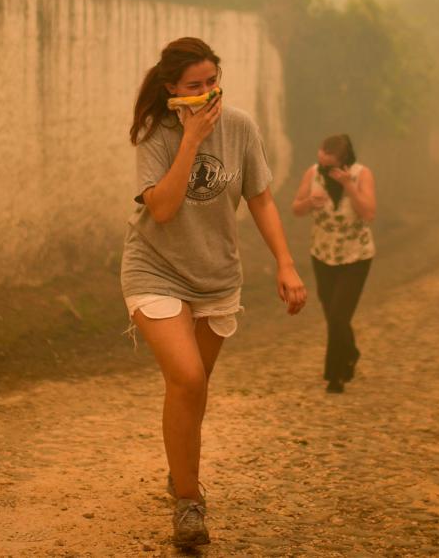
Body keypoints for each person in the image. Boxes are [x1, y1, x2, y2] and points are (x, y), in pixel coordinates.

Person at [120, 37, 307, 548]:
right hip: (155, 268)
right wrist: (190, 141)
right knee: (186, 377)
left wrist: (285, 265)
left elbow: (261, 198)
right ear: (171, 90)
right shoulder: (155, 133)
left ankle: (179, 472)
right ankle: (188, 502)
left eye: (212, 83)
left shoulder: (242, 126)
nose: (206, 95)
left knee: (195, 389)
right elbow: (161, 208)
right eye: (194, 87)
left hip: (216, 277)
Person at [290, 134, 376, 394]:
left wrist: (349, 186)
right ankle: (350, 353)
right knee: (332, 315)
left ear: (344, 162)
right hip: (323, 253)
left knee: (339, 315)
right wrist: (308, 203)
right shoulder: (312, 174)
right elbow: (296, 208)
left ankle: (335, 376)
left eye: (330, 166)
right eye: (321, 163)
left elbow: (369, 213)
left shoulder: (362, 175)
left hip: (356, 256)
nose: (324, 170)